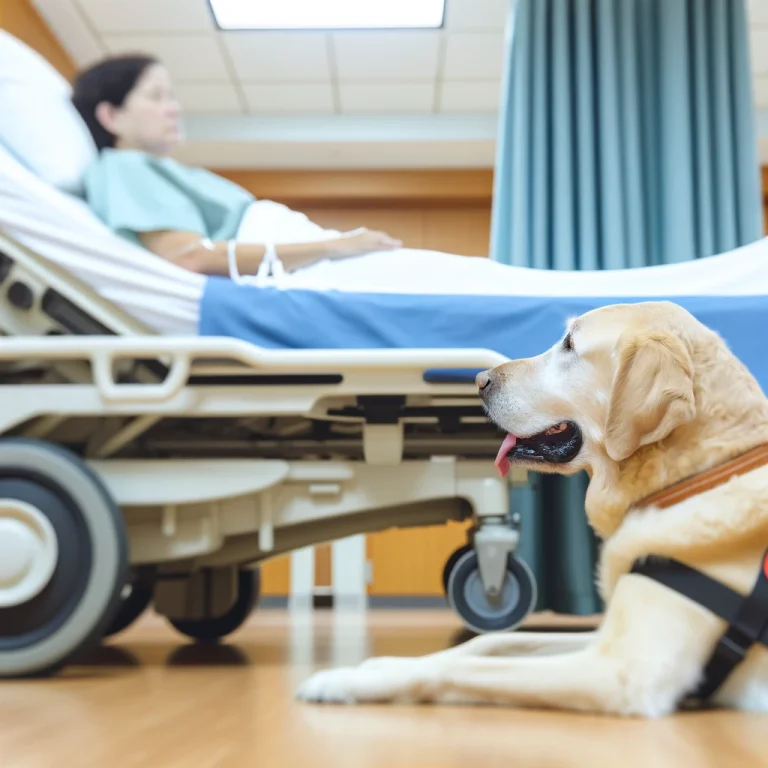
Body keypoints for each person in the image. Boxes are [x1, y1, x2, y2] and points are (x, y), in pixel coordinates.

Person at [71, 55, 402, 277]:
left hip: (304, 258)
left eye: (172, 97)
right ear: (111, 116)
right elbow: (189, 256)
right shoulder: (122, 169)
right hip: (298, 267)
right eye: (156, 97)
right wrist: (333, 246)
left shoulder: (156, 171)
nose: (173, 109)